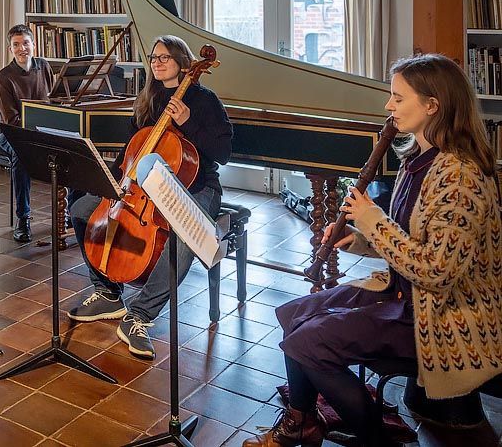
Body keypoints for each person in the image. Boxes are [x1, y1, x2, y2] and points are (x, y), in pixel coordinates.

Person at [244, 54, 502, 447]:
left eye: (398, 98)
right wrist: (360, 237)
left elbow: (436, 271)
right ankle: (302, 422)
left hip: (443, 316)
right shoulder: (418, 159)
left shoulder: (461, 177)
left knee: (307, 342)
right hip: (404, 293)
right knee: (293, 315)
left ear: (432, 106)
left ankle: (376, 439)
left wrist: (371, 220)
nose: (388, 105)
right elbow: (408, 236)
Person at [66, 35, 233, 360]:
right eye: (154, 57)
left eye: (164, 57)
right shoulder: (148, 99)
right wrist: (107, 183)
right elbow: (131, 153)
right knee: (82, 210)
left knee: (185, 236)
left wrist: (188, 122)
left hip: (197, 188)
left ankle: (139, 316)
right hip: (139, 190)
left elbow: (223, 153)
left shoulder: (204, 100)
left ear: (183, 63)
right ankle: (108, 293)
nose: (156, 62)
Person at [0, 23, 54, 242]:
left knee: (74, 148)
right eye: (16, 45)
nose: (22, 49)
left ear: (34, 45)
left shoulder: (44, 66)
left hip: (42, 130)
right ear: (10, 49)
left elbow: (54, 100)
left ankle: (68, 212)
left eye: (26, 43)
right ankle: (23, 218)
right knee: (21, 156)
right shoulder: (3, 77)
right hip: (12, 132)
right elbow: (11, 120)